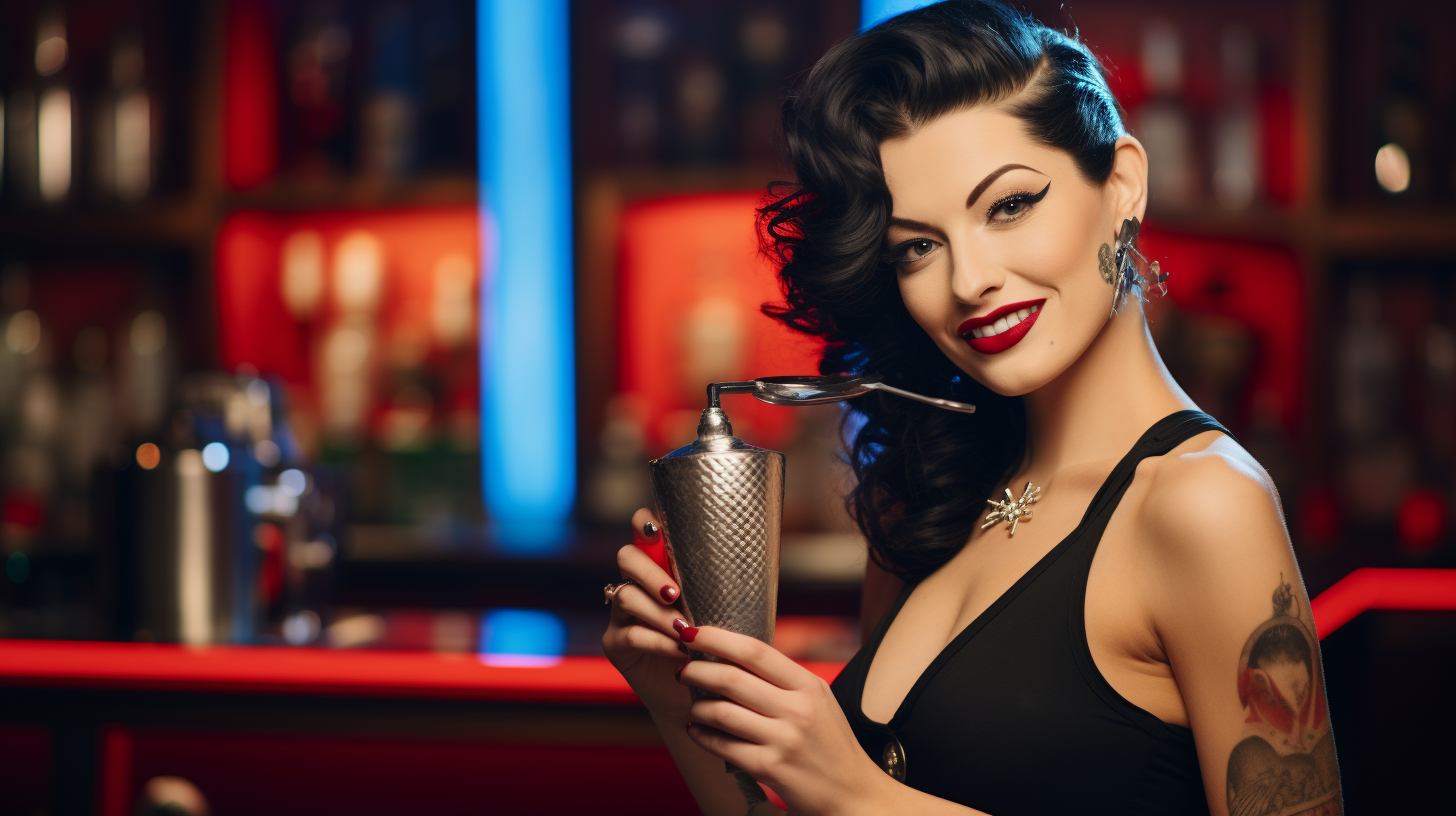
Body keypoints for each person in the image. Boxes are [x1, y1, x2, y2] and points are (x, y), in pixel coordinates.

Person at [602, 2, 1341, 814]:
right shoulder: (923, 493)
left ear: (1123, 183)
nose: (968, 280)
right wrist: (681, 702)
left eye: (1010, 205)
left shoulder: (1204, 507)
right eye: (918, 246)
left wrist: (857, 794)